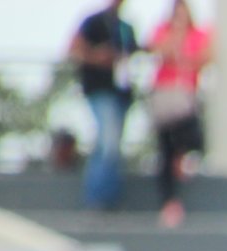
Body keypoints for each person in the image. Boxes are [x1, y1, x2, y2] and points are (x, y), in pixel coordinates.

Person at [142, 1, 209, 229]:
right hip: (164, 95)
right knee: (166, 150)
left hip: (185, 96)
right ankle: (169, 203)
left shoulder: (199, 34)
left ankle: (182, 159)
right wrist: (175, 39)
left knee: (192, 137)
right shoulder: (163, 31)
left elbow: (204, 57)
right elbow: (156, 49)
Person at [69, 1, 139, 210]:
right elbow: (74, 49)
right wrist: (97, 56)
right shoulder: (93, 22)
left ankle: (108, 196)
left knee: (109, 143)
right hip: (99, 90)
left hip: (121, 93)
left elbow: (133, 55)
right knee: (108, 142)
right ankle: (98, 198)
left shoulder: (125, 27)